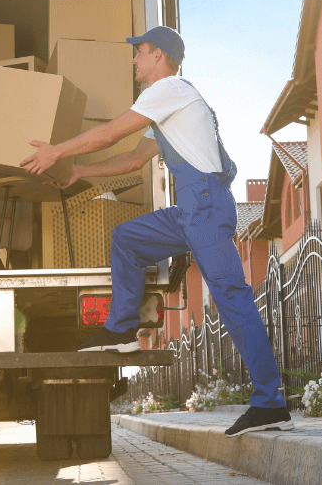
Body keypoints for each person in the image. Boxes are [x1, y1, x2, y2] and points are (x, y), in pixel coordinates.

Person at [20, 26, 293, 436]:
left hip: (204, 205)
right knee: (127, 239)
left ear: (160, 57)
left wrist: (56, 150)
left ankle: (270, 403)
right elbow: (132, 160)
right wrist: (79, 171)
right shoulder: (167, 106)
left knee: (234, 301)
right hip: (190, 210)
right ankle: (121, 330)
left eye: (140, 52)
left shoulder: (171, 89)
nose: (134, 60)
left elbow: (111, 133)